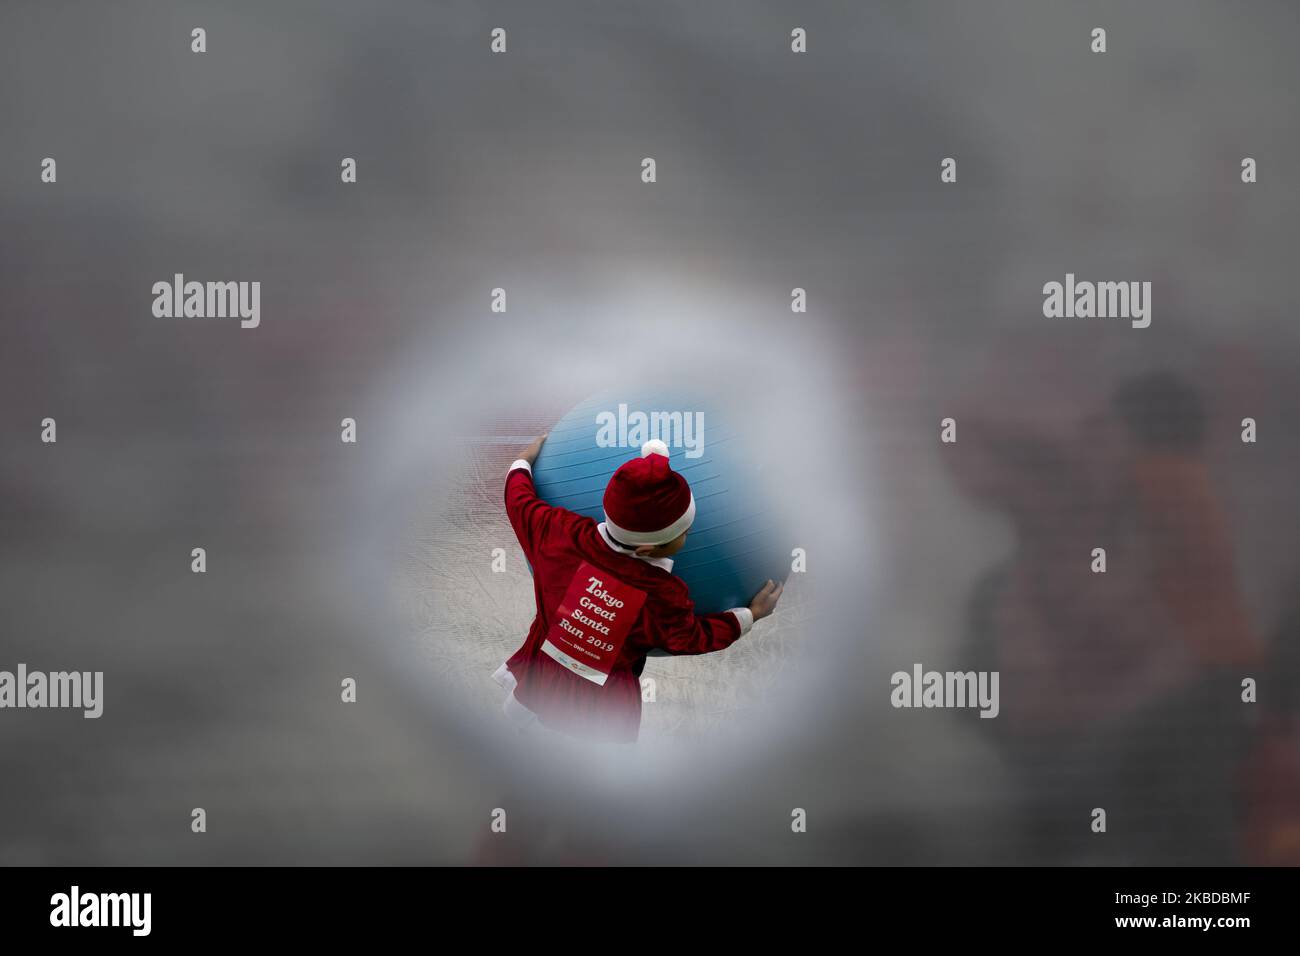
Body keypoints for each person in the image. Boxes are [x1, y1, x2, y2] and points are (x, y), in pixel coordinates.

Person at [492, 433, 783, 742]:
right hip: (600, 715)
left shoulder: (558, 533)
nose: (688, 537)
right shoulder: (662, 595)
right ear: (646, 550)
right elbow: (692, 638)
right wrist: (749, 616)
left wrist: (523, 461)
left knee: (522, 747)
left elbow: (518, 501)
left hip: (538, 682)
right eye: (684, 532)